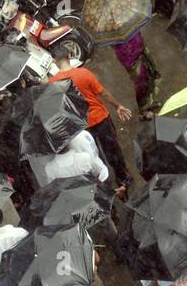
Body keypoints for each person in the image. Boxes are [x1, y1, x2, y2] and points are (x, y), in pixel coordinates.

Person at [50, 44, 133, 190]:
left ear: (54, 61)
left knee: (93, 155)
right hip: (100, 118)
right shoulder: (84, 73)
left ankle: (103, 185)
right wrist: (118, 106)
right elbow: (103, 93)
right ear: (69, 57)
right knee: (113, 150)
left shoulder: (53, 84)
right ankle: (123, 178)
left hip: (80, 127)